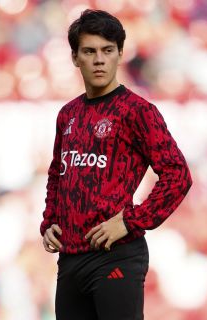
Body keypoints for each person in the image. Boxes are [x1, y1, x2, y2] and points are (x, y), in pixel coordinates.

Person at [40, 9, 192, 320]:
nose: (99, 60)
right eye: (90, 51)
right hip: (70, 259)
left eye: (107, 51)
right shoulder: (68, 114)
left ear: (120, 54)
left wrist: (131, 221)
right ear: (75, 57)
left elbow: (178, 175)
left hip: (115, 257)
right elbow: (58, 173)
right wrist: (49, 221)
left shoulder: (137, 111)